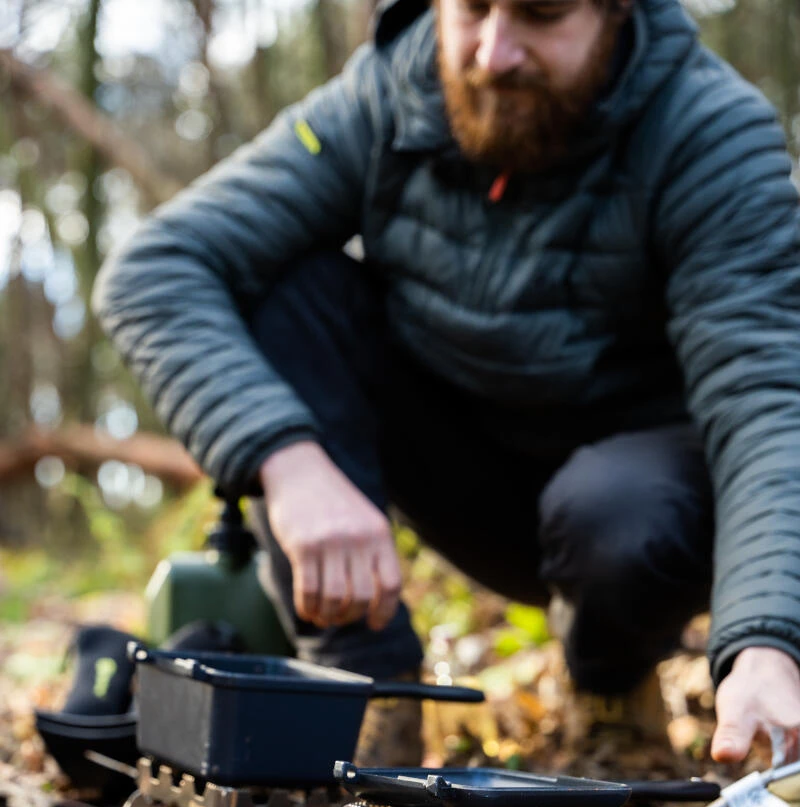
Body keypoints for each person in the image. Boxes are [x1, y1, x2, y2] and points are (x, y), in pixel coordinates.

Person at [94, 0, 800, 766]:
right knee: (272, 280)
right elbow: (153, 269)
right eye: (471, 10)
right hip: (455, 471)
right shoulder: (384, 96)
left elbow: (767, 400)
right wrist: (288, 461)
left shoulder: (710, 130)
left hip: (635, 509)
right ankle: (365, 690)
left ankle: (611, 685)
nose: (494, 53)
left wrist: (766, 641)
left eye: (541, 14)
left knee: (614, 510)